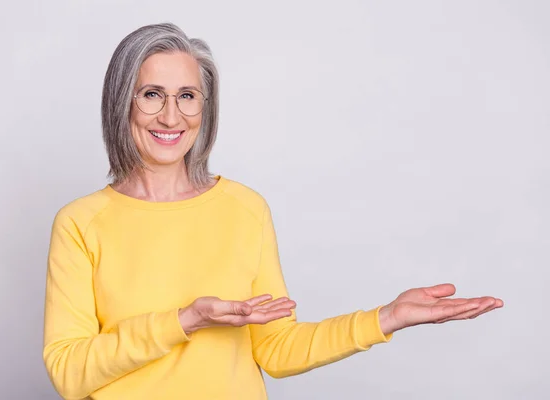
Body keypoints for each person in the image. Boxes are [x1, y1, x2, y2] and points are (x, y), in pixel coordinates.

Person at [42, 23, 503, 400]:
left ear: (205, 107)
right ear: (121, 101)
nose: (171, 116)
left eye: (187, 95)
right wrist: (185, 320)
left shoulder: (244, 208)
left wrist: (387, 318)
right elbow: (69, 372)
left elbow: (277, 350)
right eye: (151, 94)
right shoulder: (82, 223)